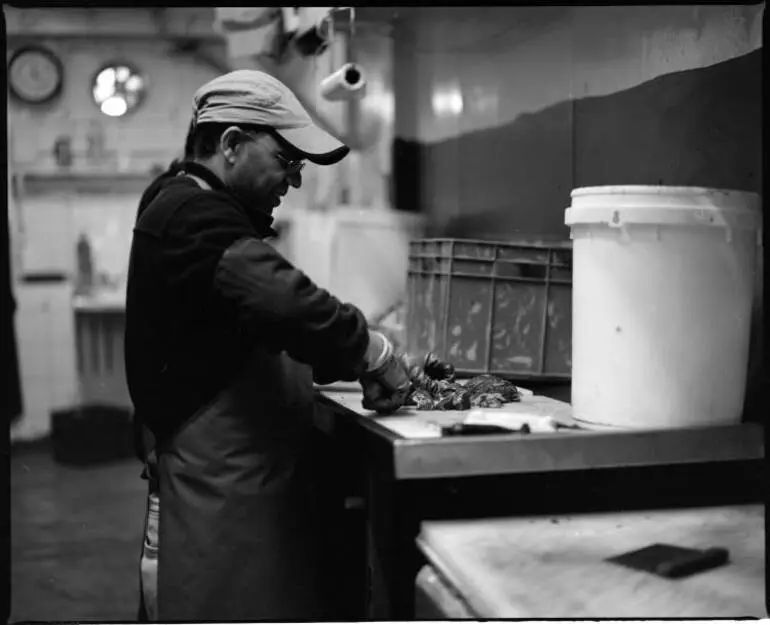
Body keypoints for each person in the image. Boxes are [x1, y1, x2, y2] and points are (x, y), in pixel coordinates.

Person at [124, 69, 412, 622]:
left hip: (229, 479)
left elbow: (245, 322)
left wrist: (333, 358)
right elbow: (282, 301)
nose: (295, 181)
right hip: (223, 492)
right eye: (287, 161)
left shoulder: (175, 200)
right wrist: (375, 353)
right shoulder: (194, 216)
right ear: (231, 145)